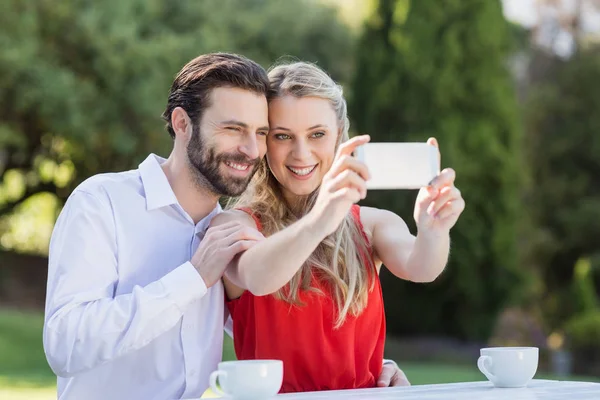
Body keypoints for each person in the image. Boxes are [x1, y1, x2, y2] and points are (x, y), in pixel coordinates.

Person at [42, 53, 406, 400]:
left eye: (262, 133)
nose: (251, 149)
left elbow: (276, 329)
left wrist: (377, 368)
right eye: (233, 129)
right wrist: (193, 278)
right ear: (182, 124)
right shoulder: (102, 202)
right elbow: (65, 346)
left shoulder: (235, 230)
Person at [211, 61, 465, 393]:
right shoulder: (235, 223)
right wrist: (323, 217)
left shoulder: (373, 225)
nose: (301, 154)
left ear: (340, 135)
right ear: (263, 140)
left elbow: (422, 267)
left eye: (317, 134)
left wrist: (433, 229)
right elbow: (257, 279)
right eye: (282, 136)